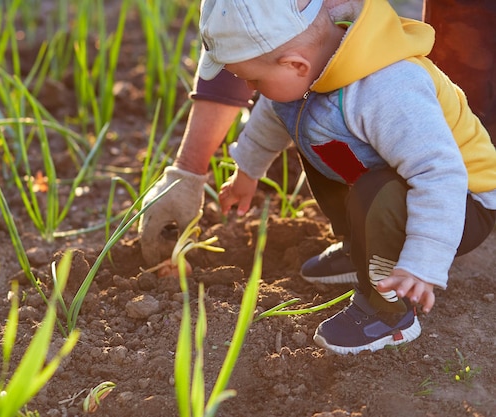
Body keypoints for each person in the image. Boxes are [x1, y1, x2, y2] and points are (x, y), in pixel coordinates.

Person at [175, 0, 496, 355]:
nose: (252, 88)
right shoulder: (311, 71)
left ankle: (388, 313)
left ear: (295, 64)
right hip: (409, 182)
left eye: (253, 79)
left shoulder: (389, 89)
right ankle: (360, 249)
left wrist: (423, 263)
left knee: (375, 190)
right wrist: (247, 171)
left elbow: (439, 174)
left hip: (464, 202)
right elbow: (272, 116)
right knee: (315, 135)